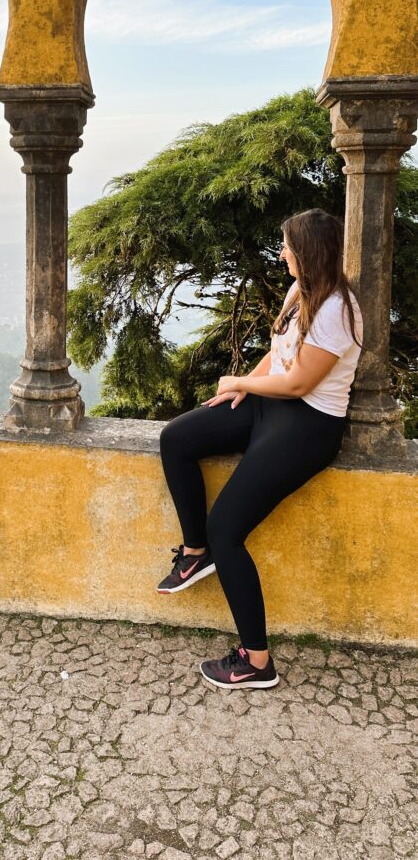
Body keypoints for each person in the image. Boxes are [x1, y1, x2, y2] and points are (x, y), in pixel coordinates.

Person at [157, 208, 363, 690]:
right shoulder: (301, 291)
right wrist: (246, 386)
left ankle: (256, 662)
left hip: (308, 425)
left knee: (228, 527)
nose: (282, 253)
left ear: (309, 252)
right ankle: (195, 552)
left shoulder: (337, 309)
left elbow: (299, 384)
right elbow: (279, 352)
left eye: (288, 245)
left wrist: (240, 380)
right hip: (272, 404)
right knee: (178, 438)